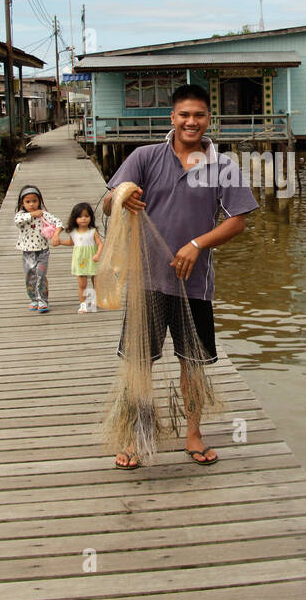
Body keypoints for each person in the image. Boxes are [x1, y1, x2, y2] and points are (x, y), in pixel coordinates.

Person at [101, 83, 258, 469]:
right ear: (172, 118)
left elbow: (237, 221)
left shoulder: (222, 165)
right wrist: (122, 197)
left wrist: (197, 243)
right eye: (184, 115)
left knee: (193, 364)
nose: (191, 122)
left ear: (208, 120)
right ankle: (136, 435)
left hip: (195, 284)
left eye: (199, 115)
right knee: (140, 362)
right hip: (145, 280)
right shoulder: (144, 156)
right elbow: (105, 203)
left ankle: (193, 433)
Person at [14, 185, 62, 313]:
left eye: (34, 201)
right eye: (28, 202)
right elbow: (17, 221)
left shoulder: (43, 215)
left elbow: (59, 222)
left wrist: (56, 234)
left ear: (39, 201)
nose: (31, 204)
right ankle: (33, 298)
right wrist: (31, 214)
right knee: (30, 275)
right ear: (22, 203)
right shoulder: (21, 215)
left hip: (42, 251)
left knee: (41, 274)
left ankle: (43, 300)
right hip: (27, 252)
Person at [51, 202, 104, 313]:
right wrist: (60, 242)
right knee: (82, 285)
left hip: (92, 259)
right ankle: (83, 304)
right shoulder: (74, 232)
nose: (83, 219)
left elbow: (100, 244)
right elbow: (72, 243)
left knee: (96, 281)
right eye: (80, 217)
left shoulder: (93, 231)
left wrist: (98, 254)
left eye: (86, 216)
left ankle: (96, 299)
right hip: (80, 260)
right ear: (75, 218)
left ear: (91, 217)